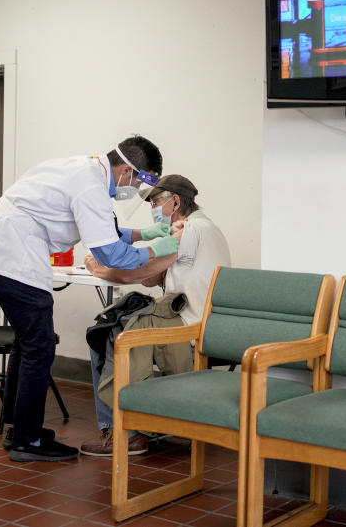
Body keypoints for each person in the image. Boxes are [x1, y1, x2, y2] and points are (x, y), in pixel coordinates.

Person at [0, 135, 179, 462]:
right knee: (40, 343)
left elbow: (106, 230)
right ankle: (27, 441)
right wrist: (155, 250)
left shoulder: (83, 170)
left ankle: (18, 429)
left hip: (0, 245)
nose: (137, 189)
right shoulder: (91, 188)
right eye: (141, 181)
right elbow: (110, 253)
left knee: (27, 341)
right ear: (128, 171)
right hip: (13, 252)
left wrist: (144, 234)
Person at [78, 174, 231, 457]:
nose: (153, 209)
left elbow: (141, 273)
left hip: (189, 324)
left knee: (114, 331)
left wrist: (99, 269)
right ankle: (127, 423)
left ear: (175, 201)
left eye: (156, 202)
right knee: (109, 324)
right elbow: (153, 278)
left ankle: (128, 432)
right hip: (185, 314)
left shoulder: (192, 229)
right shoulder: (197, 227)